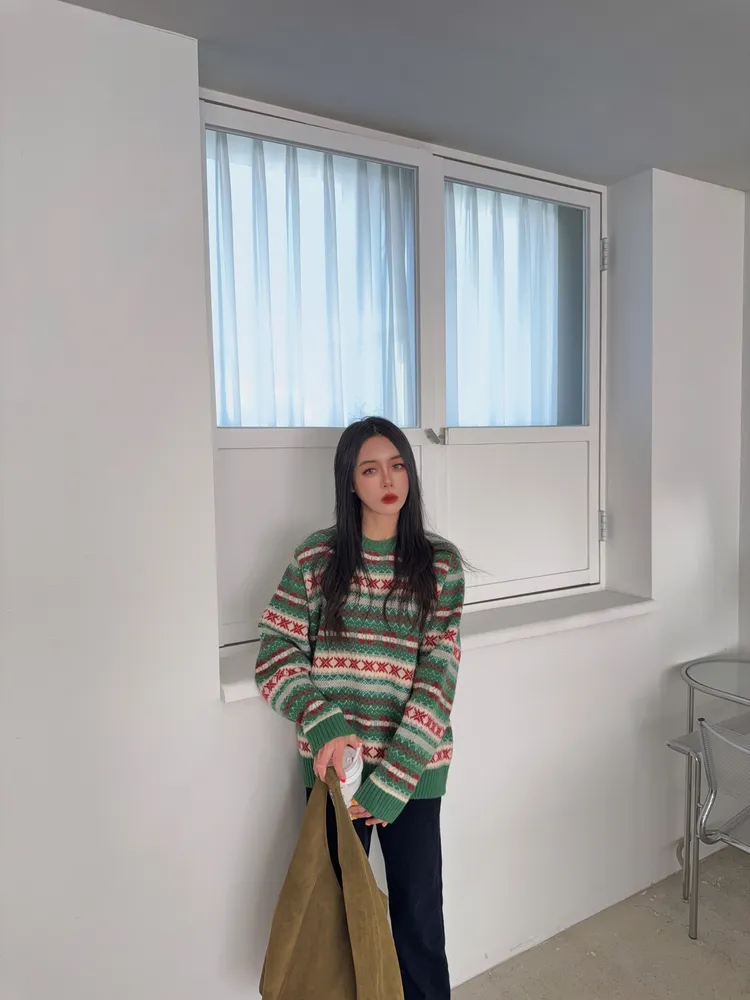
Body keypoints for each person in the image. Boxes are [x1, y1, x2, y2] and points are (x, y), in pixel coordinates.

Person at [255, 415, 465, 1000]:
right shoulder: (316, 559)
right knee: (334, 925)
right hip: (333, 774)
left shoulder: (439, 565)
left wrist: (393, 780)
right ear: (349, 480)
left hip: (412, 773)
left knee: (418, 920)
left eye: (397, 465)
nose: (388, 480)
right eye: (370, 469)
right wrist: (323, 719)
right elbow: (274, 655)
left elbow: (438, 679)